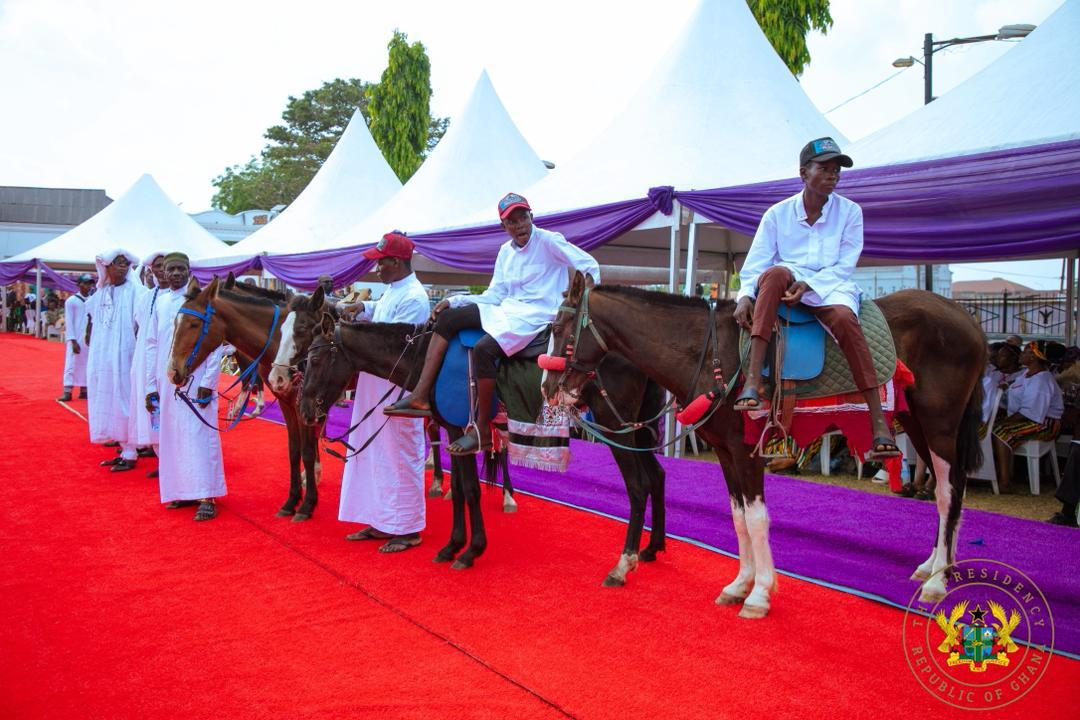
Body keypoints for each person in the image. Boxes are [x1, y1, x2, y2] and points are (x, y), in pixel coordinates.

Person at [384, 193, 601, 455]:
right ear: (503, 227)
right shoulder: (504, 252)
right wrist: (455, 301)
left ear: (531, 217)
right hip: (506, 309)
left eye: (523, 217)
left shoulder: (549, 241)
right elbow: (495, 294)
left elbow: (589, 265)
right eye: (512, 221)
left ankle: (480, 429)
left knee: (484, 350)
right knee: (447, 318)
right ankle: (420, 394)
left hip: (535, 316)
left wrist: (583, 301)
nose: (519, 224)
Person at [733, 137, 899, 460]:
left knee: (845, 320)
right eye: (824, 168)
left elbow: (845, 265)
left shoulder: (851, 212)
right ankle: (752, 381)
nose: (833, 175)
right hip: (784, 285)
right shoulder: (777, 215)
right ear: (803, 173)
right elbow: (755, 265)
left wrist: (810, 285)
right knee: (774, 273)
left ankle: (879, 422)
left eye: (837, 169)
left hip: (830, 285)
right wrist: (743, 296)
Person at [335, 232, 432, 551]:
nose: (376, 270)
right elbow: (381, 312)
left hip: (394, 389)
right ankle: (381, 520)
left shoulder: (415, 297)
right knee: (373, 453)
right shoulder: (395, 290)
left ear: (397, 261)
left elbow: (396, 346)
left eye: (380, 263)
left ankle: (406, 527)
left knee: (398, 454)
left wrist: (354, 334)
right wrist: (363, 306)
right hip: (374, 385)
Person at [145, 253, 226, 521]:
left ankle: (206, 494)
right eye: (172, 269)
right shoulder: (161, 302)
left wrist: (208, 382)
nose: (177, 273)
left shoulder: (200, 298)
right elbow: (152, 343)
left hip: (197, 376)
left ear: (189, 271)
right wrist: (150, 384)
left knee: (198, 434)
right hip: (166, 378)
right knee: (174, 435)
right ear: (164, 273)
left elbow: (214, 342)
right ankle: (182, 490)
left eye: (182, 269)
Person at [85, 249, 145, 472]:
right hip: (104, 358)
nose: (122, 267)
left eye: (125, 263)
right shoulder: (102, 292)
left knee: (125, 400)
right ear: (107, 267)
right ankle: (124, 448)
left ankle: (131, 452)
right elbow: (91, 318)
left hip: (126, 356)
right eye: (117, 263)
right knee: (108, 399)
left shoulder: (136, 291)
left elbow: (143, 323)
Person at [992, 340, 1065, 493]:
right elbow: (1015, 390)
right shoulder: (1027, 374)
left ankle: (1005, 482)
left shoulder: (1041, 380)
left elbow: (1030, 412)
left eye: (1026, 351)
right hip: (1030, 418)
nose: (1022, 354)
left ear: (1033, 357)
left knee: (1000, 432)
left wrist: (1004, 422)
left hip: (1046, 423)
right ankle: (996, 474)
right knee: (991, 428)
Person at [130, 252, 167, 476]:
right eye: (158, 267)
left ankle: (171, 461)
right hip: (146, 361)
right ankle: (161, 458)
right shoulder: (145, 298)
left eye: (166, 266)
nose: (162, 271)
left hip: (169, 363)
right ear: (150, 271)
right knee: (152, 411)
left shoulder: (181, 296)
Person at [59, 274, 94, 401]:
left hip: (88, 337)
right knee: (72, 363)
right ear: (79, 284)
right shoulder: (71, 301)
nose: (88, 286)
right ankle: (67, 390)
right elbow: (69, 321)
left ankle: (84, 389)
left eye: (90, 283)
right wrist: (72, 340)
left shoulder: (92, 300)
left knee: (87, 363)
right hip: (76, 338)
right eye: (85, 283)